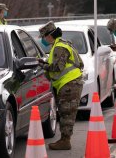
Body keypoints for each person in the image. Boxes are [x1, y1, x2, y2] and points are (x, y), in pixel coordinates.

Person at [37, 21, 84, 150]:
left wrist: (42, 65)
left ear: (49, 36)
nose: (43, 40)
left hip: (69, 83)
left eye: (43, 37)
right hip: (69, 83)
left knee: (66, 113)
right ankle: (64, 139)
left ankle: (65, 141)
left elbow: (58, 67)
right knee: (65, 112)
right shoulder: (60, 45)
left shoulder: (60, 47)